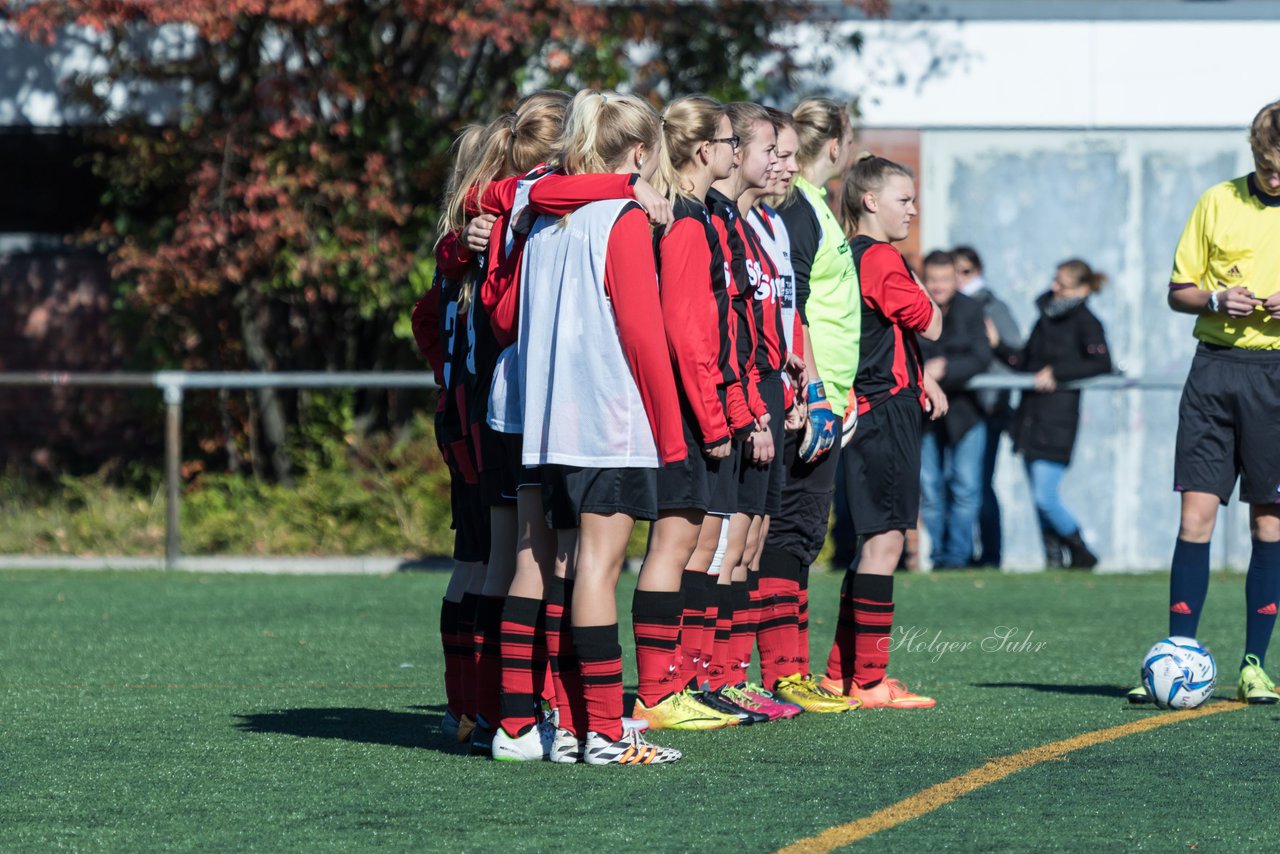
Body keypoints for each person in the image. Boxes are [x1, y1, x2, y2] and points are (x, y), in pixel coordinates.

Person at [511, 89, 687, 764]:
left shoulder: (549, 222)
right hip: (609, 415)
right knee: (598, 569)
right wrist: (670, 433)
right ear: (639, 152)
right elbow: (643, 334)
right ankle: (606, 734)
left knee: (568, 568)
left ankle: (571, 723)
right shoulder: (619, 219)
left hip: (555, 419)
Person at [1130, 99, 1280, 705]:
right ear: (1255, 155)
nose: (1276, 180)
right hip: (1215, 372)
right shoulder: (1217, 200)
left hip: (1276, 377)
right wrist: (1216, 300)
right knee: (1196, 517)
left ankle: (1253, 665)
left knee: (1268, 523)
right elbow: (1177, 291)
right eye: (1270, 169)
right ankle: (1177, 658)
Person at [629, 93, 742, 732]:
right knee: (673, 543)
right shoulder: (689, 225)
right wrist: (713, 416)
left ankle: (670, 685)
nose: (733, 150)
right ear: (705, 150)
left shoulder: (684, 218)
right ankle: (655, 692)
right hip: (679, 409)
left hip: (680, 406)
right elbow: (687, 331)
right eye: (730, 141)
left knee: (686, 542)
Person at [821, 153, 944, 710]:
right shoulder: (880, 260)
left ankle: (841, 674)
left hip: (879, 402)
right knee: (887, 540)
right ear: (870, 201)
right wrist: (913, 277)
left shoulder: (856, 254)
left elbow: (890, 336)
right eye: (905, 199)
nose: (913, 211)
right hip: (881, 410)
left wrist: (921, 379)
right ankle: (869, 680)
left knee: (875, 539)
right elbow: (933, 321)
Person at [755, 97, 861, 715]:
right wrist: (814, 392)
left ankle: (788, 672)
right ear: (838, 144)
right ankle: (781, 673)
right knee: (785, 534)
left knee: (799, 535)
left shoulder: (813, 207)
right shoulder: (795, 209)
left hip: (830, 399)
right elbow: (788, 308)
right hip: (801, 400)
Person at [993, 260, 1112, 570]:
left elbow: (1101, 363)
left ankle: (1083, 552)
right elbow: (1026, 363)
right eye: (1055, 281)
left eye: (1063, 284)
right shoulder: (1046, 318)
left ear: (1083, 290)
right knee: (1038, 499)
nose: (1054, 288)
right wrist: (998, 347)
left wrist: (1058, 373)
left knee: (1046, 498)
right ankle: (1054, 559)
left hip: (1057, 421)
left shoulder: (1086, 321)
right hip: (1031, 417)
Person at [918, 250, 992, 569]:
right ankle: (938, 555)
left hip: (965, 412)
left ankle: (957, 557)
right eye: (933, 280)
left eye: (945, 279)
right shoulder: (914, 307)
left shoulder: (972, 310)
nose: (938, 286)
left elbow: (981, 356)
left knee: (966, 487)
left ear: (955, 279)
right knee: (930, 490)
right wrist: (924, 371)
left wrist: (947, 367)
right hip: (924, 414)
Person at [951, 245, 1021, 568]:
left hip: (988, 406)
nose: (958, 279)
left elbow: (1016, 352)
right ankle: (968, 553)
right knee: (963, 483)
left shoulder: (991, 306)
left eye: (964, 272)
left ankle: (990, 555)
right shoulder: (954, 306)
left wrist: (996, 345)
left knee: (978, 483)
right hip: (962, 407)